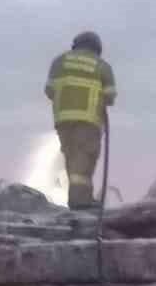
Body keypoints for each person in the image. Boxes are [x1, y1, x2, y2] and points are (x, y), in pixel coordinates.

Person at [44, 31, 117, 209]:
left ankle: (80, 198)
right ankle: (80, 203)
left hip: (63, 120)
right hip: (88, 120)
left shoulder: (59, 62)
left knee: (72, 160)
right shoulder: (102, 66)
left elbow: (49, 90)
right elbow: (110, 96)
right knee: (83, 161)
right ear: (96, 48)